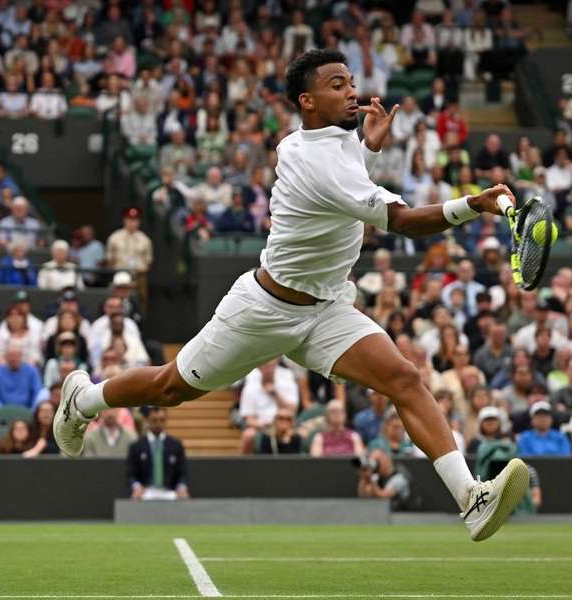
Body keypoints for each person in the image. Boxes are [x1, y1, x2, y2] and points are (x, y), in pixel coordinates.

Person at [55, 49, 528, 542]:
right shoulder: (312, 159)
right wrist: (476, 203)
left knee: (404, 378)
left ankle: (471, 497)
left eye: (350, 82)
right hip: (264, 310)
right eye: (337, 85)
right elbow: (403, 222)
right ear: (307, 100)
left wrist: (368, 148)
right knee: (170, 389)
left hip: (326, 310)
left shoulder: (339, 145)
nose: (352, 92)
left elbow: (349, 175)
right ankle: (84, 399)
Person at [126, 407, 189, 500]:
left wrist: (181, 486)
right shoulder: (136, 446)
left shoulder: (176, 445)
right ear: (147, 420)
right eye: (154, 420)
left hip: (170, 492)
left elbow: (183, 472)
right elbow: (130, 474)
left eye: (161, 420)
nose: (158, 424)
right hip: (145, 492)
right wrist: (136, 486)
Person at [0, 344, 42, 410]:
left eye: (17, 356)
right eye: (11, 356)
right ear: (6, 357)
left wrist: (32, 410)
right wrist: (0, 410)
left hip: (26, 410)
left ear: (21, 356)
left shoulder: (32, 371)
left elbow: (37, 393)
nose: (14, 359)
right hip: (3, 410)